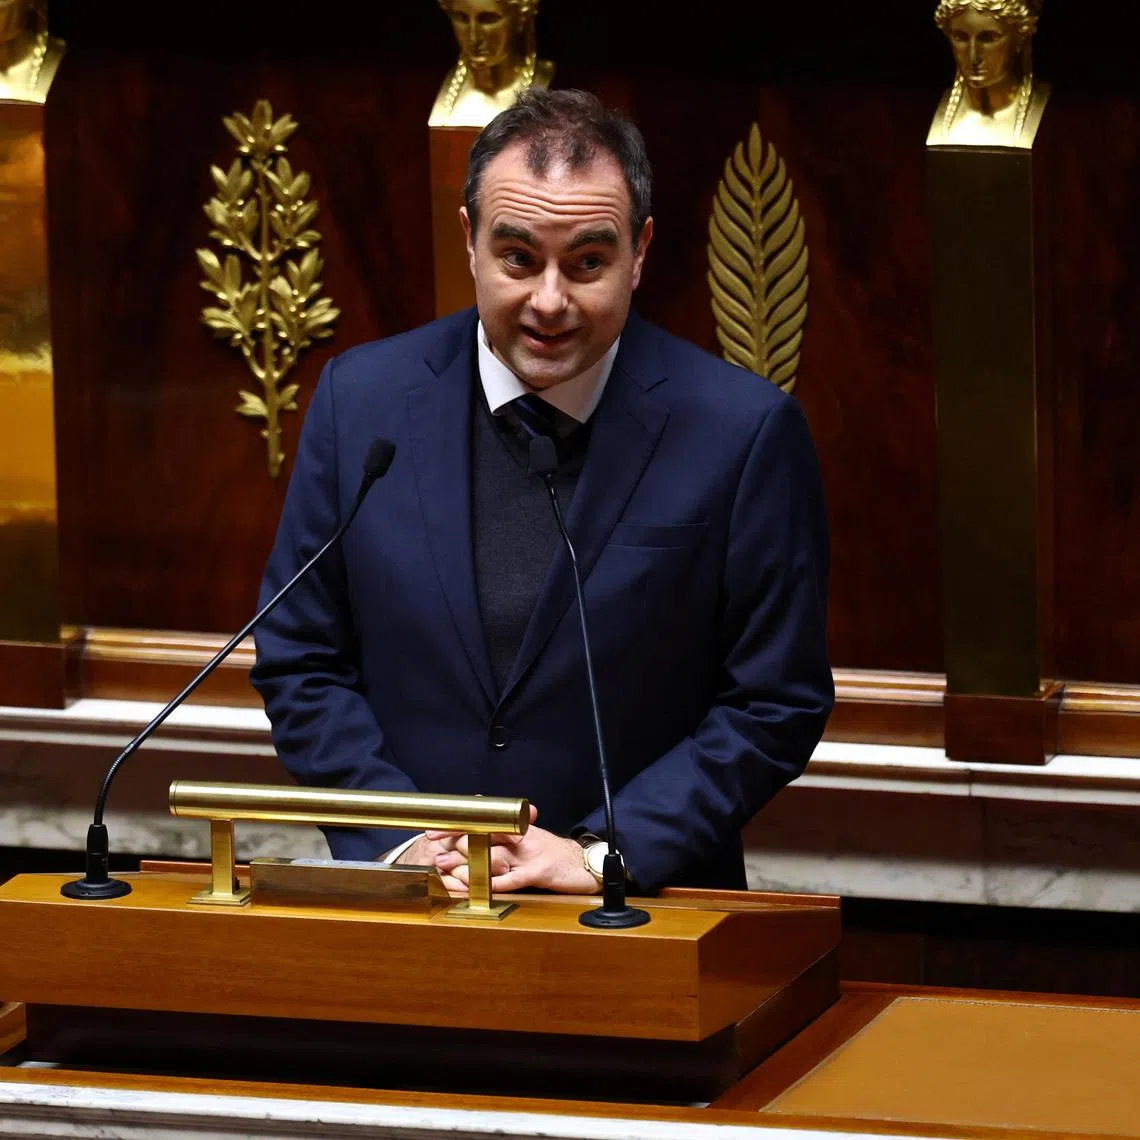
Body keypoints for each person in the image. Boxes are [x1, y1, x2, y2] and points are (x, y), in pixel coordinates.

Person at [251, 89, 833, 897]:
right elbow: (301, 659)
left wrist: (600, 853)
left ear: (640, 252)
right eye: (519, 258)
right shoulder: (362, 401)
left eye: (587, 263)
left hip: (635, 914)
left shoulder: (743, 432)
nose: (549, 301)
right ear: (470, 242)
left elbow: (775, 702)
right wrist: (402, 837)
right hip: (410, 909)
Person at [929, 0, 1048, 148]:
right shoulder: (929, 111)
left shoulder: (1054, 115)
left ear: (1020, 38)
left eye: (988, 38)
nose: (973, 56)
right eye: (960, 37)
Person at [428, 0, 554, 129]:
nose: (474, 38)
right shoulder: (450, 92)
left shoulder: (543, 80)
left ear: (521, 17)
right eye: (461, 18)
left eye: (488, 19)